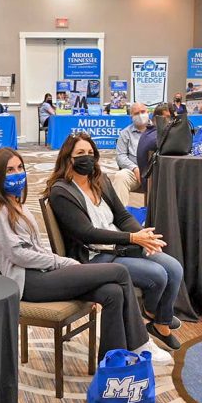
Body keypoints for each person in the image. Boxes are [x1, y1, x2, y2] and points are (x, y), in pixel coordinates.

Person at [0, 147, 171, 363]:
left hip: (41, 272)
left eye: (20, 167)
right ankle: (140, 343)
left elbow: (36, 249)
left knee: (113, 292)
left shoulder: (15, 204)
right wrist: (62, 263)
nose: (17, 173)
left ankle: (112, 363)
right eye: (10, 170)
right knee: (119, 272)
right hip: (26, 281)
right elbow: (18, 255)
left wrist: (60, 263)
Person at [45, 133, 184, 350]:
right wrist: (132, 238)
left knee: (174, 268)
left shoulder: (100, 180)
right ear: (68, 158)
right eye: (80, 153)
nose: (87, 157)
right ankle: (154, 313)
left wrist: (143, 236)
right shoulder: (61, 192)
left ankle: (159, 320)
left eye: (90, 153)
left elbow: (122, 216)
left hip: (119, 246)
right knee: (157, 275)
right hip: (95, 256)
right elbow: (87, 233)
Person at [109, 102, 149, 206]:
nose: (140, 115)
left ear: (148, 112)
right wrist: (134, 168)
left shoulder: (158, 129)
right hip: (134, 173)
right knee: (120, 176)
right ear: (131, 116)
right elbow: (120, 156)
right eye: (136, 113)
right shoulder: (125, 133)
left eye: (143, 112)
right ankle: (121, 214)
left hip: (155, 171)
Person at [136, 102, 175, 178]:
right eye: (168, 117)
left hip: (152, 180)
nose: (171, 121)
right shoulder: (157, 138)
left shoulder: (149, 133)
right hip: (153, 183)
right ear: (157, 119)